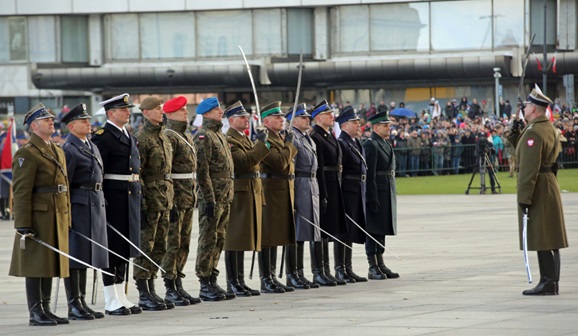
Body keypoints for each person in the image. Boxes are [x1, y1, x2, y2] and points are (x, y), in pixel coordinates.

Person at [9, 103, 71, 326]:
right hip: (39, 216)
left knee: (49, 264)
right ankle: (36, 311)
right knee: (36, 266)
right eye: (46, 120)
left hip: (56, 215)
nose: (51, 122)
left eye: (51, 119)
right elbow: (21, 191)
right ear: (34, 126)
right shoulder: (27, 154)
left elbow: (64, 187)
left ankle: (45, 308)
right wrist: (23, 223)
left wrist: (67, 218)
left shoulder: (56, 150)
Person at [507, 85, 568, 295]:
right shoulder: (547, 128)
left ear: (534, 109)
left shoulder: (534, 131)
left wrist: (524, 197)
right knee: (551, 235)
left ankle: (548, 281)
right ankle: (551, 281)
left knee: (543, 235)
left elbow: (528, 167)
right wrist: (515, 133)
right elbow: (528, 151)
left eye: (526, 106)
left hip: (538, 185)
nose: (524, 109)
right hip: (548, 182)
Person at [92, 93, 142, 316]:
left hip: (128, 196)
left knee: (124, 248)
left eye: (127, 109)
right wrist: (102, 200)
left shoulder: (126, 134)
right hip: (113, 197)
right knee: (112, 249)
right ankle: (110, 298)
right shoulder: (103, 136)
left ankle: (121, 295)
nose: (128, 112)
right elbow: (98, 171)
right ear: (111, 113)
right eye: (123, 110)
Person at [61, 104, 108, 321]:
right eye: (83, 121)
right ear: (72, 126)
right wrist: (67, 214)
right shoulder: (69, 149)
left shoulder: (90, 144)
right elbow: (66, 185)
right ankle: (74, 304)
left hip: (94, 203)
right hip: (79, 205)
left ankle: (82, 301)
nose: (89, 124)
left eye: (88, 120)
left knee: (88, 255)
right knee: (76, 256)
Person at [223, 101, 270, 297]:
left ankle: (240, 280)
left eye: (246, 117)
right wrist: (261, 144)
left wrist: (259, 144)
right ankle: (232, 281)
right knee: (234, 239)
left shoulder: (244, 138)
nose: (246, 119)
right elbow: (245, 163)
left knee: (243, 239)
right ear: (231, 120)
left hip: (251, 191)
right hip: (240, 192)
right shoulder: (230, 140)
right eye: (242, 117)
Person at [133, 96, 175, 310]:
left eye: (161, 108)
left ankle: (151, 286)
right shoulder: (142, 138)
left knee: (161, 246)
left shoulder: (164, 137)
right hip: (149, 200)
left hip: (164, 199)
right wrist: (140, 203)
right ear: (146, 113)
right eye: (157, 109)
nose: (161, 112)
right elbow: (137, 174)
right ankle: (143, 291)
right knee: (145, 247)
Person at [193, 97, 234, 301]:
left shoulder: (219, 135)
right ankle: (203, 281)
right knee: (208, 239)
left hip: (224, 195)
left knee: (219, 238)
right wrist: (208, 199)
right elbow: (202, 171)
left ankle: (212, 277)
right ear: (206, 113)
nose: (221, 111)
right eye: (217, 109)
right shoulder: (203, 136)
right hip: (212, 197)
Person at [162, 96, 201, 305]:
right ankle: (170, 286)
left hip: (188, 196)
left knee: (184, 242)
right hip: (176, 196)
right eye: (181, 110)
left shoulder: (184, 134)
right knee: (173, 243)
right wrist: (172, 201)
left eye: (185, 110)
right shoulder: (170, 135)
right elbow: (167, 171)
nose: (186, 112)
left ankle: (178, 282)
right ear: (169, 115)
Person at [259, 101, 298, 293]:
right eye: (277, 117)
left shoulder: (279, 139)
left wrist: (287, 143)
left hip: (282, 190)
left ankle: (273, 276)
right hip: (270, 191)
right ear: (266, 121)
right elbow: (280, 162)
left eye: (282, 117)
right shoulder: (266, 140)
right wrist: (290, 144)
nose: (282, 120)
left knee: (276, 236)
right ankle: (266, 278)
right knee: (268, 237)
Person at [310, 100, 347, 286]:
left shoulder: (329, 135)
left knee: (328, 230)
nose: (332, 116)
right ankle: (319, 270)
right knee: (321, 230)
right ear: (318, 118)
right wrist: (322, 193)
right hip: (325, 184)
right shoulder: (316, 136)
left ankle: (326, 269)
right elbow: (320, 168)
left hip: (334, 183)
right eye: (328, 114)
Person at [285, 103, 320, 290]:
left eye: (308, 117)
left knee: (305, 231)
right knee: (296, 233)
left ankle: (300, 272)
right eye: (304, 117)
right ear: (294, 120)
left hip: (311, 185)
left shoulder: (307, 138)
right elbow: (291, 169)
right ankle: (292, 274)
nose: (308, 119)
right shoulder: (293, 139)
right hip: (299, 185)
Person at [363, 111, 399, 280]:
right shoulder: (371, 145)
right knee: (373, 229)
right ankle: (373, 265)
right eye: (385, 125)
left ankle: (381, 262)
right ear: (376, 127)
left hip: (386, 190)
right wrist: (371, 196)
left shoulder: (384, 144)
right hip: (377, 191)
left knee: (382, 228)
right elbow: (369, 174)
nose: (388, 128)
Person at [335, 106, 368, 283]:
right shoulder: (342, 143)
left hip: (357, 189)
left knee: (351, 230)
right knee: (344, 230)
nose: (358, 125)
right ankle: (340, 268)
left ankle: (348, 267)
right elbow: (340, 171)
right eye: (354, 122)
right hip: (347, 190)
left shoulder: (355, 142)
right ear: (344, 125)